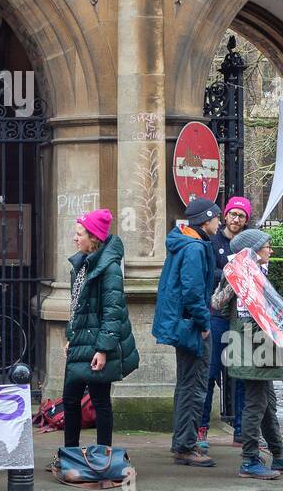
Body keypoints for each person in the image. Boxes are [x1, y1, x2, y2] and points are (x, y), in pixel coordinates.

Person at [225, 227, 283, 480]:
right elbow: (247, 316)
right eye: (266, 246)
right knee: (256, 403)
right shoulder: (244, 277)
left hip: (258, 345)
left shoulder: (254, 273)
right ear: (252, 251)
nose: (270, 250)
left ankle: (279, 454)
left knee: (268, 404)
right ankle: (249, 460)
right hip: (254, 347)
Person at [60, 209, 138, 461]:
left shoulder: (109, 268)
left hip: (96, 346)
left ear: (93, 237)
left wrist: (103, 349)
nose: (75, 238)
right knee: (70, 400)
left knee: (100, 400)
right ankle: (70, 454)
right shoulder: (82, 263)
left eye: (79, 233)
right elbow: (76, 307)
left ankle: (104, 455)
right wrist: (70, 336)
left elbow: (113, 312)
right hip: (81, 342)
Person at [154, 197, 221, 467]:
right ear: (206, 219)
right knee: (194, 386)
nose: (220, 221)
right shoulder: (194, 249)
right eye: (217, 216)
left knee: (186, 385)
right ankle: (186, 445)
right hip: (192, 327)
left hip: (184, 324)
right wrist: (204, 324)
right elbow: (193, 292)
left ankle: (183, 441)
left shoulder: (186, 243)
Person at [201, 195, 251, 445]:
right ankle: (202, 429)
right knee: (210, 375)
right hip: (217, 315)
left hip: (241, 318)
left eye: (241, 216)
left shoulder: (248, 244)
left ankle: (241, 430)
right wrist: (233, 272)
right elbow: (210, 274)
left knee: (241, 375)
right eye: (233, 214)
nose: (236, 219)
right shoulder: (212, 242)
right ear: (226, 215)